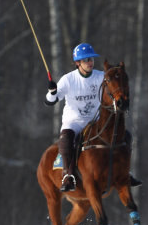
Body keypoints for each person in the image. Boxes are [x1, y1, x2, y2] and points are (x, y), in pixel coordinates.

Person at [44, 43, 141, 192]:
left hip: (97, 120)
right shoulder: (68, 79)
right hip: (74, 121)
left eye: (91, 59)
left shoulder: (101, 77)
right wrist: (52, 91)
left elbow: (113, 91)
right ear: (78, 63)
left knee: (125, 136)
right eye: (86, 60)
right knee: (66, 139)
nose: (90, 62)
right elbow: (50, 102)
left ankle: (124, 172)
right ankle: (68, 175)